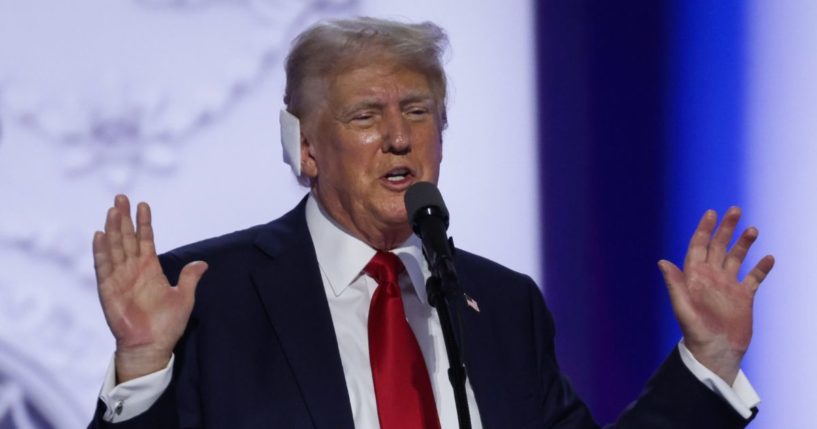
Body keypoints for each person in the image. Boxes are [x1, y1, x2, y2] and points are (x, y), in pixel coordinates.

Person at [88, 17, 775, 428]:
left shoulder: (503, 306)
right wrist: (143, 367)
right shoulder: (209, 293)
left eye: (417, 113)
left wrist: (706, 360)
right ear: (304, 149)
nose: (397, 137)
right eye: (365, 116)